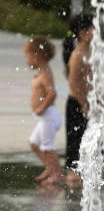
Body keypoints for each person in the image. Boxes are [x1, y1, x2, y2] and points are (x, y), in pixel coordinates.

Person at [24, 36, 63, 184]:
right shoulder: (42, 71)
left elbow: (52, 93)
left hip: (48, 117)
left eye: (27, 56)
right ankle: (50, 167)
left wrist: (41, 107)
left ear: (36, 55)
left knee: (47, 147)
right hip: (45, 118)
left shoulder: (45, 74)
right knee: (34, 144)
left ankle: (57, 175)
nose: (26, 60)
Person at [63, 14, 95, 188]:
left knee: (88, 139)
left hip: (88, 103)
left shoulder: (90, 52)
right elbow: (73, 84)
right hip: (77, 103)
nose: (95, 31)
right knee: (76, 140)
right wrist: (83, 104)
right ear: (82, 33)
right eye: (92, 28)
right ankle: (73, 174)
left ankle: (85, 171)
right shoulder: (77, 55)